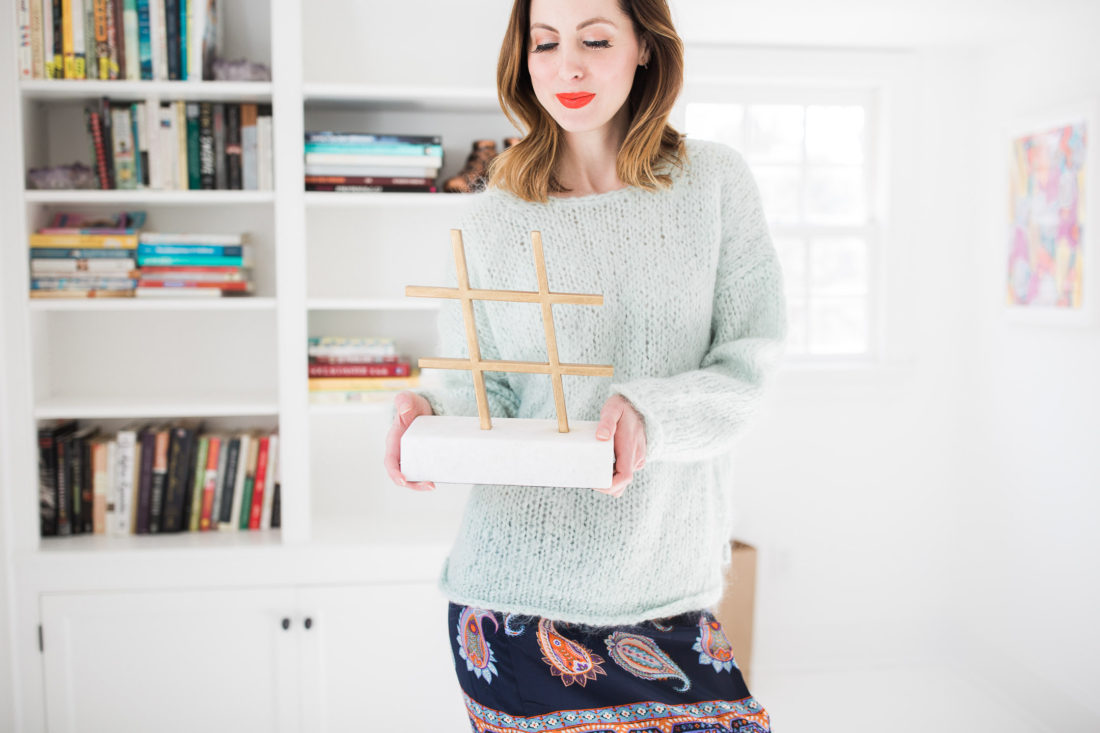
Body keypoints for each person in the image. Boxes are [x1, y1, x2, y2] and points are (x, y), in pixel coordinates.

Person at [384, 0, 785, 730]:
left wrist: (651, 416)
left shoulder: (715, 185)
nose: (566, 65)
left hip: (666, 590)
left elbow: (747, 372)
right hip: (511, 601)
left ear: (643, 47)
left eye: (595, 39)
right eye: (545, 42)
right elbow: (483, 389)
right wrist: (429, 413)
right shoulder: (498, 211)